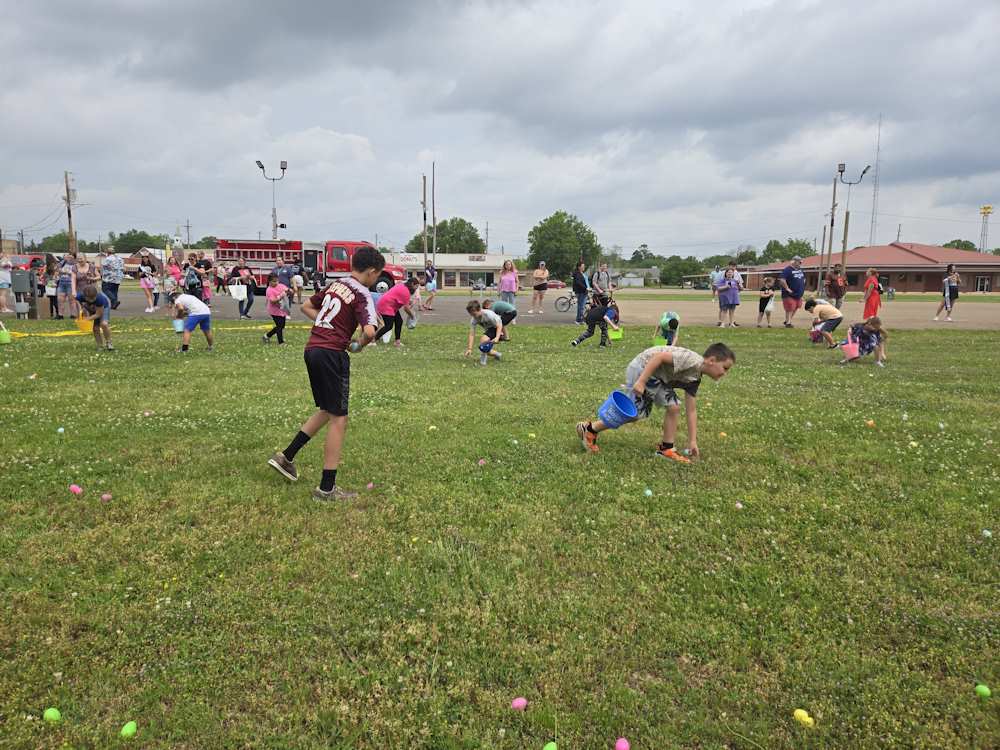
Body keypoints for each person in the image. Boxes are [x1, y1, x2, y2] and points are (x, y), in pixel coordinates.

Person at [266, 246, 383, 500]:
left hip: (313, 349)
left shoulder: (335, 284)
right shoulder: (363, 294)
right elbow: (371, 331)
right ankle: (327, 488)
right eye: (377, 277)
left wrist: (330, 326)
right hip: (332, 354)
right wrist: (359, 345)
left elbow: (307, 306)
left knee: (327, 410)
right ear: (373, 272)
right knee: (339, 418)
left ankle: (286, 457)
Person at [575, 343, 735, 462]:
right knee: (653, 410)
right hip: (643, 368)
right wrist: (641, 381)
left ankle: (666, 449)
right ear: (712, 360)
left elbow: (691, 410)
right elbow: (658, 357)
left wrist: (692, 441)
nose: (725, 373)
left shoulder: (695, 377)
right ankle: (589, 429)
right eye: (725, 368)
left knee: (660, 409)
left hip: (655, 377)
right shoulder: (692, 360)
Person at [374, 277, 418, 348]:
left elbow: (398, 297)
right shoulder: (406, 291)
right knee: (388, 326)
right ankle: (372, 339)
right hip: (386, 305)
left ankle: (397, 342)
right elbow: (406, 308)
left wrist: (409, 302)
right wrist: (412, 316)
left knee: (399, 321)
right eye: (416, 287)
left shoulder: (402, 285)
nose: (416, 289)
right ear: (412, 284)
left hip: (389, 304)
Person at [465, 299, 504, 366]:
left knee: (483, 340)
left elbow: (499, 325)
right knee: (485, 349)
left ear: (479, 309)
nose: (473, 316)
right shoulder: (474, 319)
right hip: (490, 329)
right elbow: (472, 334)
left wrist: (497, 337)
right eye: (471, 315)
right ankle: (497, 354)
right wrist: (469, 349)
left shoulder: (488, 314)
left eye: (474, 314)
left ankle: (483, 361)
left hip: (498, 328)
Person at [75, 285, 114, 351]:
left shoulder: (99, 299)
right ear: (84, 296)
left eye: (93, 298)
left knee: (104, 324)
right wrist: (81, 309)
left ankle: (109, 343)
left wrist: (87, 319)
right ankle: (100, 345)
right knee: (95, 328)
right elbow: (77, 301)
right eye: (89, 299)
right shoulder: (80, 296)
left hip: (103, 308)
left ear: (96, 295)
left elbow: (99, 314)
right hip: (92, 308)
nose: (91, 300)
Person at [262, 273, 291, 345]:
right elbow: (272, 301)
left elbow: (287, 289)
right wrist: (280, 296)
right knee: (279, 326)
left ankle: (267, 336)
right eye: (274, 281)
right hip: (274, 311)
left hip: (282, 309)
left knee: (282, 326)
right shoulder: (269, 290)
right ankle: (281, 342)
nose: (276, 283)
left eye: (277, 281)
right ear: (269, 281)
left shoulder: (280, 285)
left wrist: (289, 291)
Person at [778, 255, 806, 327]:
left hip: (798, 294)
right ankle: (788, 323)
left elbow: (803, 279)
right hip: (789, 294)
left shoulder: (800, 270)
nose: (800, 264)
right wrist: (787, 288)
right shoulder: (788, 269)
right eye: (799, 262)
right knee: (790, 307)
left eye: (800, 262)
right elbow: (782, 280)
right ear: (794, 261)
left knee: (797, 306)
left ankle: (788, 320)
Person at [57, 251, 78, 319]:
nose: (69, 258)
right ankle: (60, 315)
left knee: (71, 300)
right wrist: (61, 270)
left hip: (71, 283)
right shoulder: (63, 262)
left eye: (71, 257)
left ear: (74, 258)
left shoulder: (76, 264)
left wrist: (69, 272)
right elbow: (57, 268)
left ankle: (73, 315)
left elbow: (76, 273)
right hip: (62, 283)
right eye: (68, 256)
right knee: (60, 299)